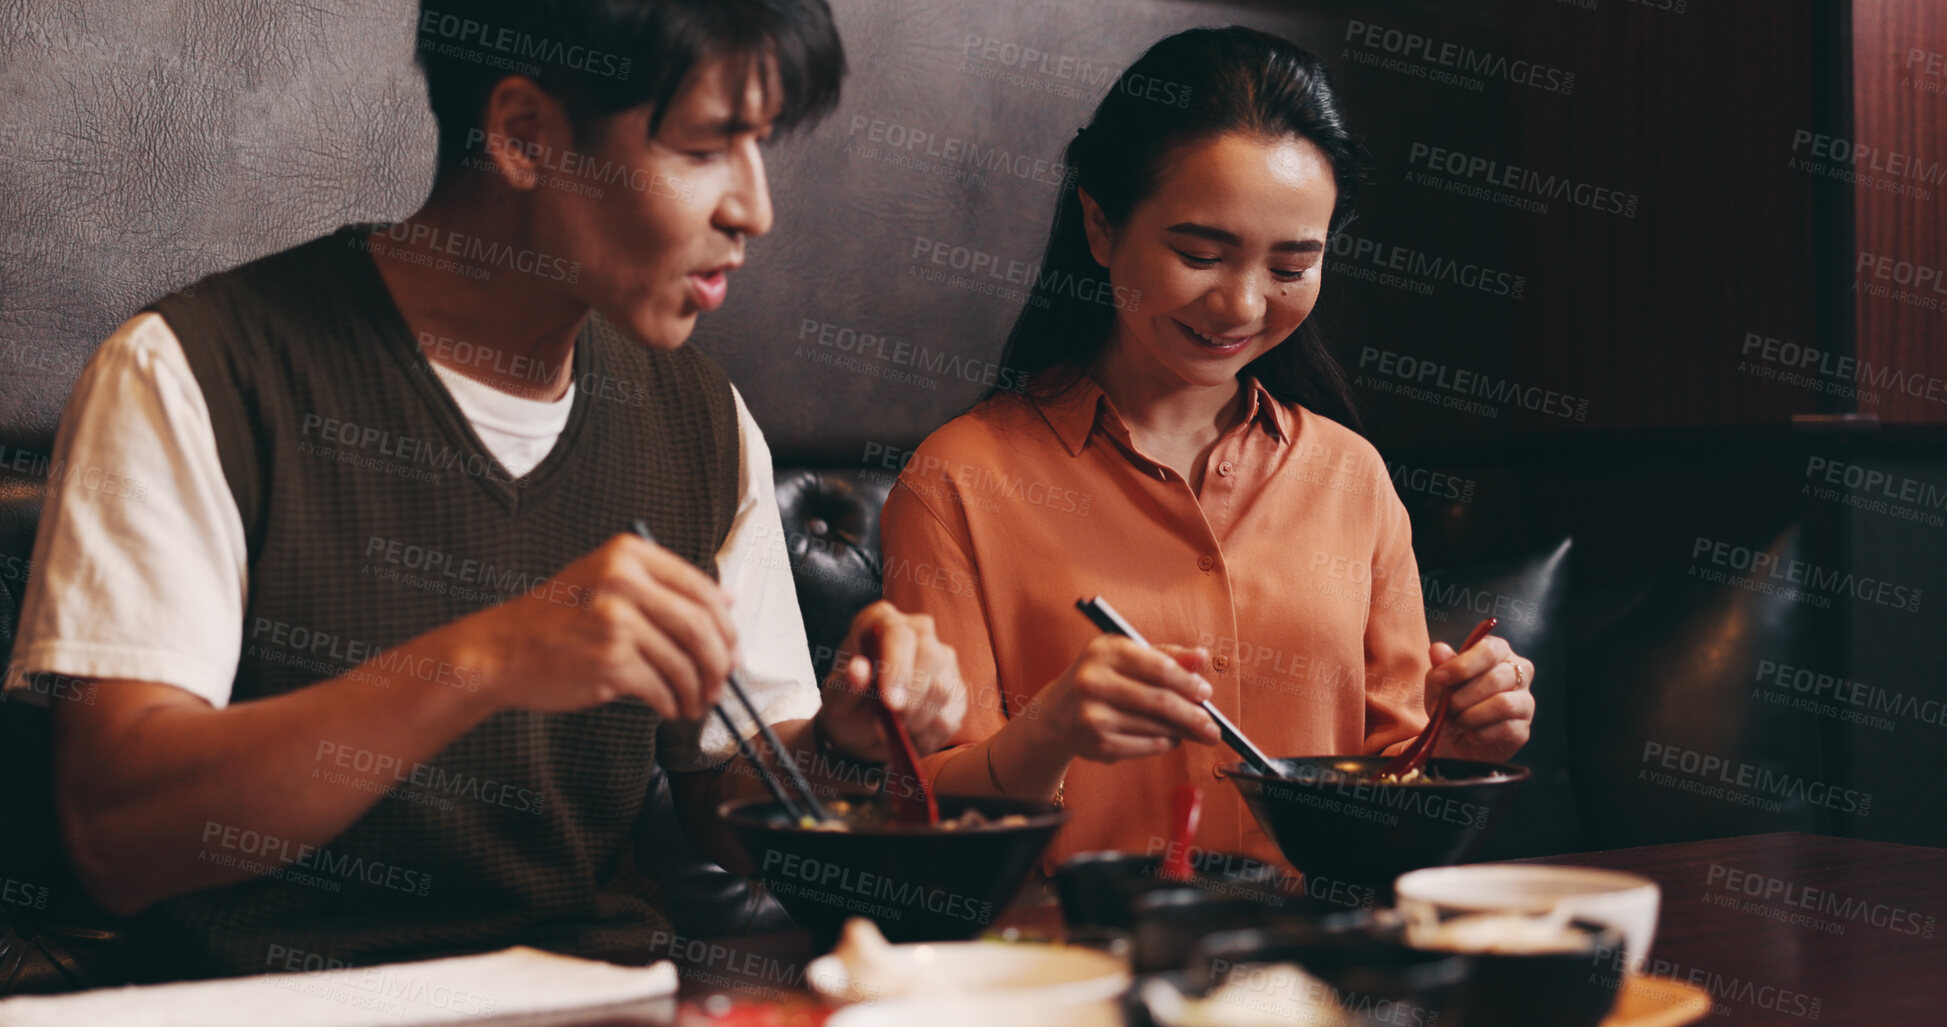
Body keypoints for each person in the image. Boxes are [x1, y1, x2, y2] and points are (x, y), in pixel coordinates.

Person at [2, 0, 965, 982]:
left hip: (601, 1003)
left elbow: (729, 806)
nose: (754, 208)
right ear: (522, 134)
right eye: (709, 146)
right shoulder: (193, 373)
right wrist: (487, 657)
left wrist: (846, 740)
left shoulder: (700, 417)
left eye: (760, 146)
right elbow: (120, 836)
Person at [880, 27, 1534, 871]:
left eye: (1291, 266)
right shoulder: (958, 481)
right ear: (1099, 225)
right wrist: (1049, 732)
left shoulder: (1351, 479)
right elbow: (917, 816)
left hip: (1303, 975)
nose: (1240, 304)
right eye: (1199, 254)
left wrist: (1465, 741)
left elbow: (1392, 780)